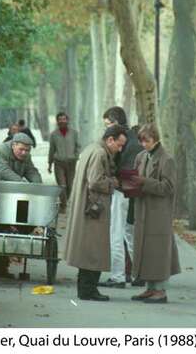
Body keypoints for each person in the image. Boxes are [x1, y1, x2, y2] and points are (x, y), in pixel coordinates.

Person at [63, 125, 127, 301]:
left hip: (87, 206)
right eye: (119, 145)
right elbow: (95, 181)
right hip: (93, 208)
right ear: (110, 140)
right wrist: (112, 182)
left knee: (88, 249)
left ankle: (87, 289)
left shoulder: (92, 148)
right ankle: (88, 290)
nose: (120, 149)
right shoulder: (99, 153)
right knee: (94, 249)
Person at [0, 132, 42, 278]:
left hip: (7, 200)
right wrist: (23, 184)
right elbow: (5, 172)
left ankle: (1, 269)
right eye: (21, 150)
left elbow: (31, 171)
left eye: (27, 150)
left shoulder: (25, 156)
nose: (24, 153)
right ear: (13, 145)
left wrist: (38, 185)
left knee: (3, 232)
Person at [129, 123, 181, 303]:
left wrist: (145, 182)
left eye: (147, 141)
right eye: (142, 141)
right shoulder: (141, 156)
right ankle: (149, 288)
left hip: (159, 213)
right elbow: (136, 179)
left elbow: (169, 188)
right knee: (145, 250)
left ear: (156, 139)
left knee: (158, 251)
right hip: (143, 209)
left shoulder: (167, 159)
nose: (144, 144)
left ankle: (160, 291)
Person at [100, 106, 143, 289]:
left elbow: (116, 166)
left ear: (116, 122)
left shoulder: (121, 140)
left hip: (121, 190)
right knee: (129, 233)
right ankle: (140, 274)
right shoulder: (134, 138)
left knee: (116, 233)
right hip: (134, 191)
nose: (106, 129)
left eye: (108, 124)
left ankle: (117, 276)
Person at [48, 112, 80, 212]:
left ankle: (67, 201)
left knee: (70, 185)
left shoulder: (74, 133)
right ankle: (63, 205)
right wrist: (49, 163)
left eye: (64, 119)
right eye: (60, 119)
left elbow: (78, 146)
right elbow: (52, 149)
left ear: (67, 120)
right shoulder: (54, 134)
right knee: (62, 184)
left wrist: (76, 156)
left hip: (71, 162)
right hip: (59, 162)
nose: (62, 121)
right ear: (57, 121)